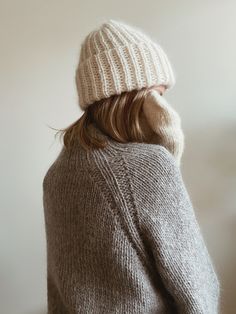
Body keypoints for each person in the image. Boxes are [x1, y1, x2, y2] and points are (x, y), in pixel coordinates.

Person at [42, 19, 221, 313]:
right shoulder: (146, 167)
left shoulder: (57, 175)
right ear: (136, 97)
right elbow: (197, 290)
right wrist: (166, 163)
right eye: (159, 94)